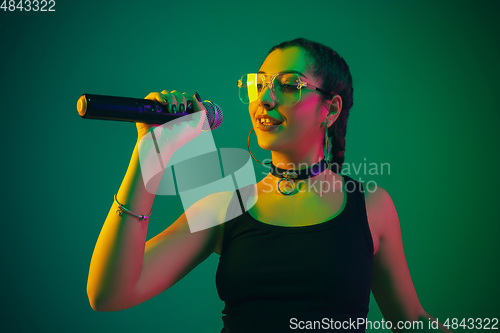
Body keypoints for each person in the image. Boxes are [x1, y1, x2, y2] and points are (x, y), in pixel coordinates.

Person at [87, 38, 452, 332]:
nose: (265, 98)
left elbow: (411, 321)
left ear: (331, 109)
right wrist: (148, 155)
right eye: (259, 84)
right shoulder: (227, 202)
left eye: (289, 85)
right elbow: (110, 294)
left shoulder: (370, 206)